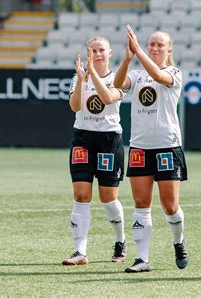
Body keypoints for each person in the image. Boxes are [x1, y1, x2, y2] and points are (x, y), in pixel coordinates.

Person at [114, 26, 188, 273]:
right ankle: (142, 258)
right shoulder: (136, 74)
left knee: (170, 206)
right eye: (151, 45)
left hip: (167, 146)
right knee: (141, 203)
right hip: (140, 147)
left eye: (160, 45)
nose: (155, 48)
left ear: (169, 49)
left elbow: (158, 76)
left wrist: (138, 53)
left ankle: (178, 243)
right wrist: (126, 58)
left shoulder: (174, 72)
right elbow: (117, 84)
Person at [63, 36, 127, 266]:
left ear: (110, 53)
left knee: (108, 198)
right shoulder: (77, 77)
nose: (97, 54)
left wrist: (93, 75)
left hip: (109, 141)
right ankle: (80, 252)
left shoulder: (119, 78)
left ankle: (120, 241)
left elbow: (108, 98)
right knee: (81, 195)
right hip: (82, 138)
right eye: (93, 51)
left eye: (101, 50)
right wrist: (82, 80)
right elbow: (75, 106)